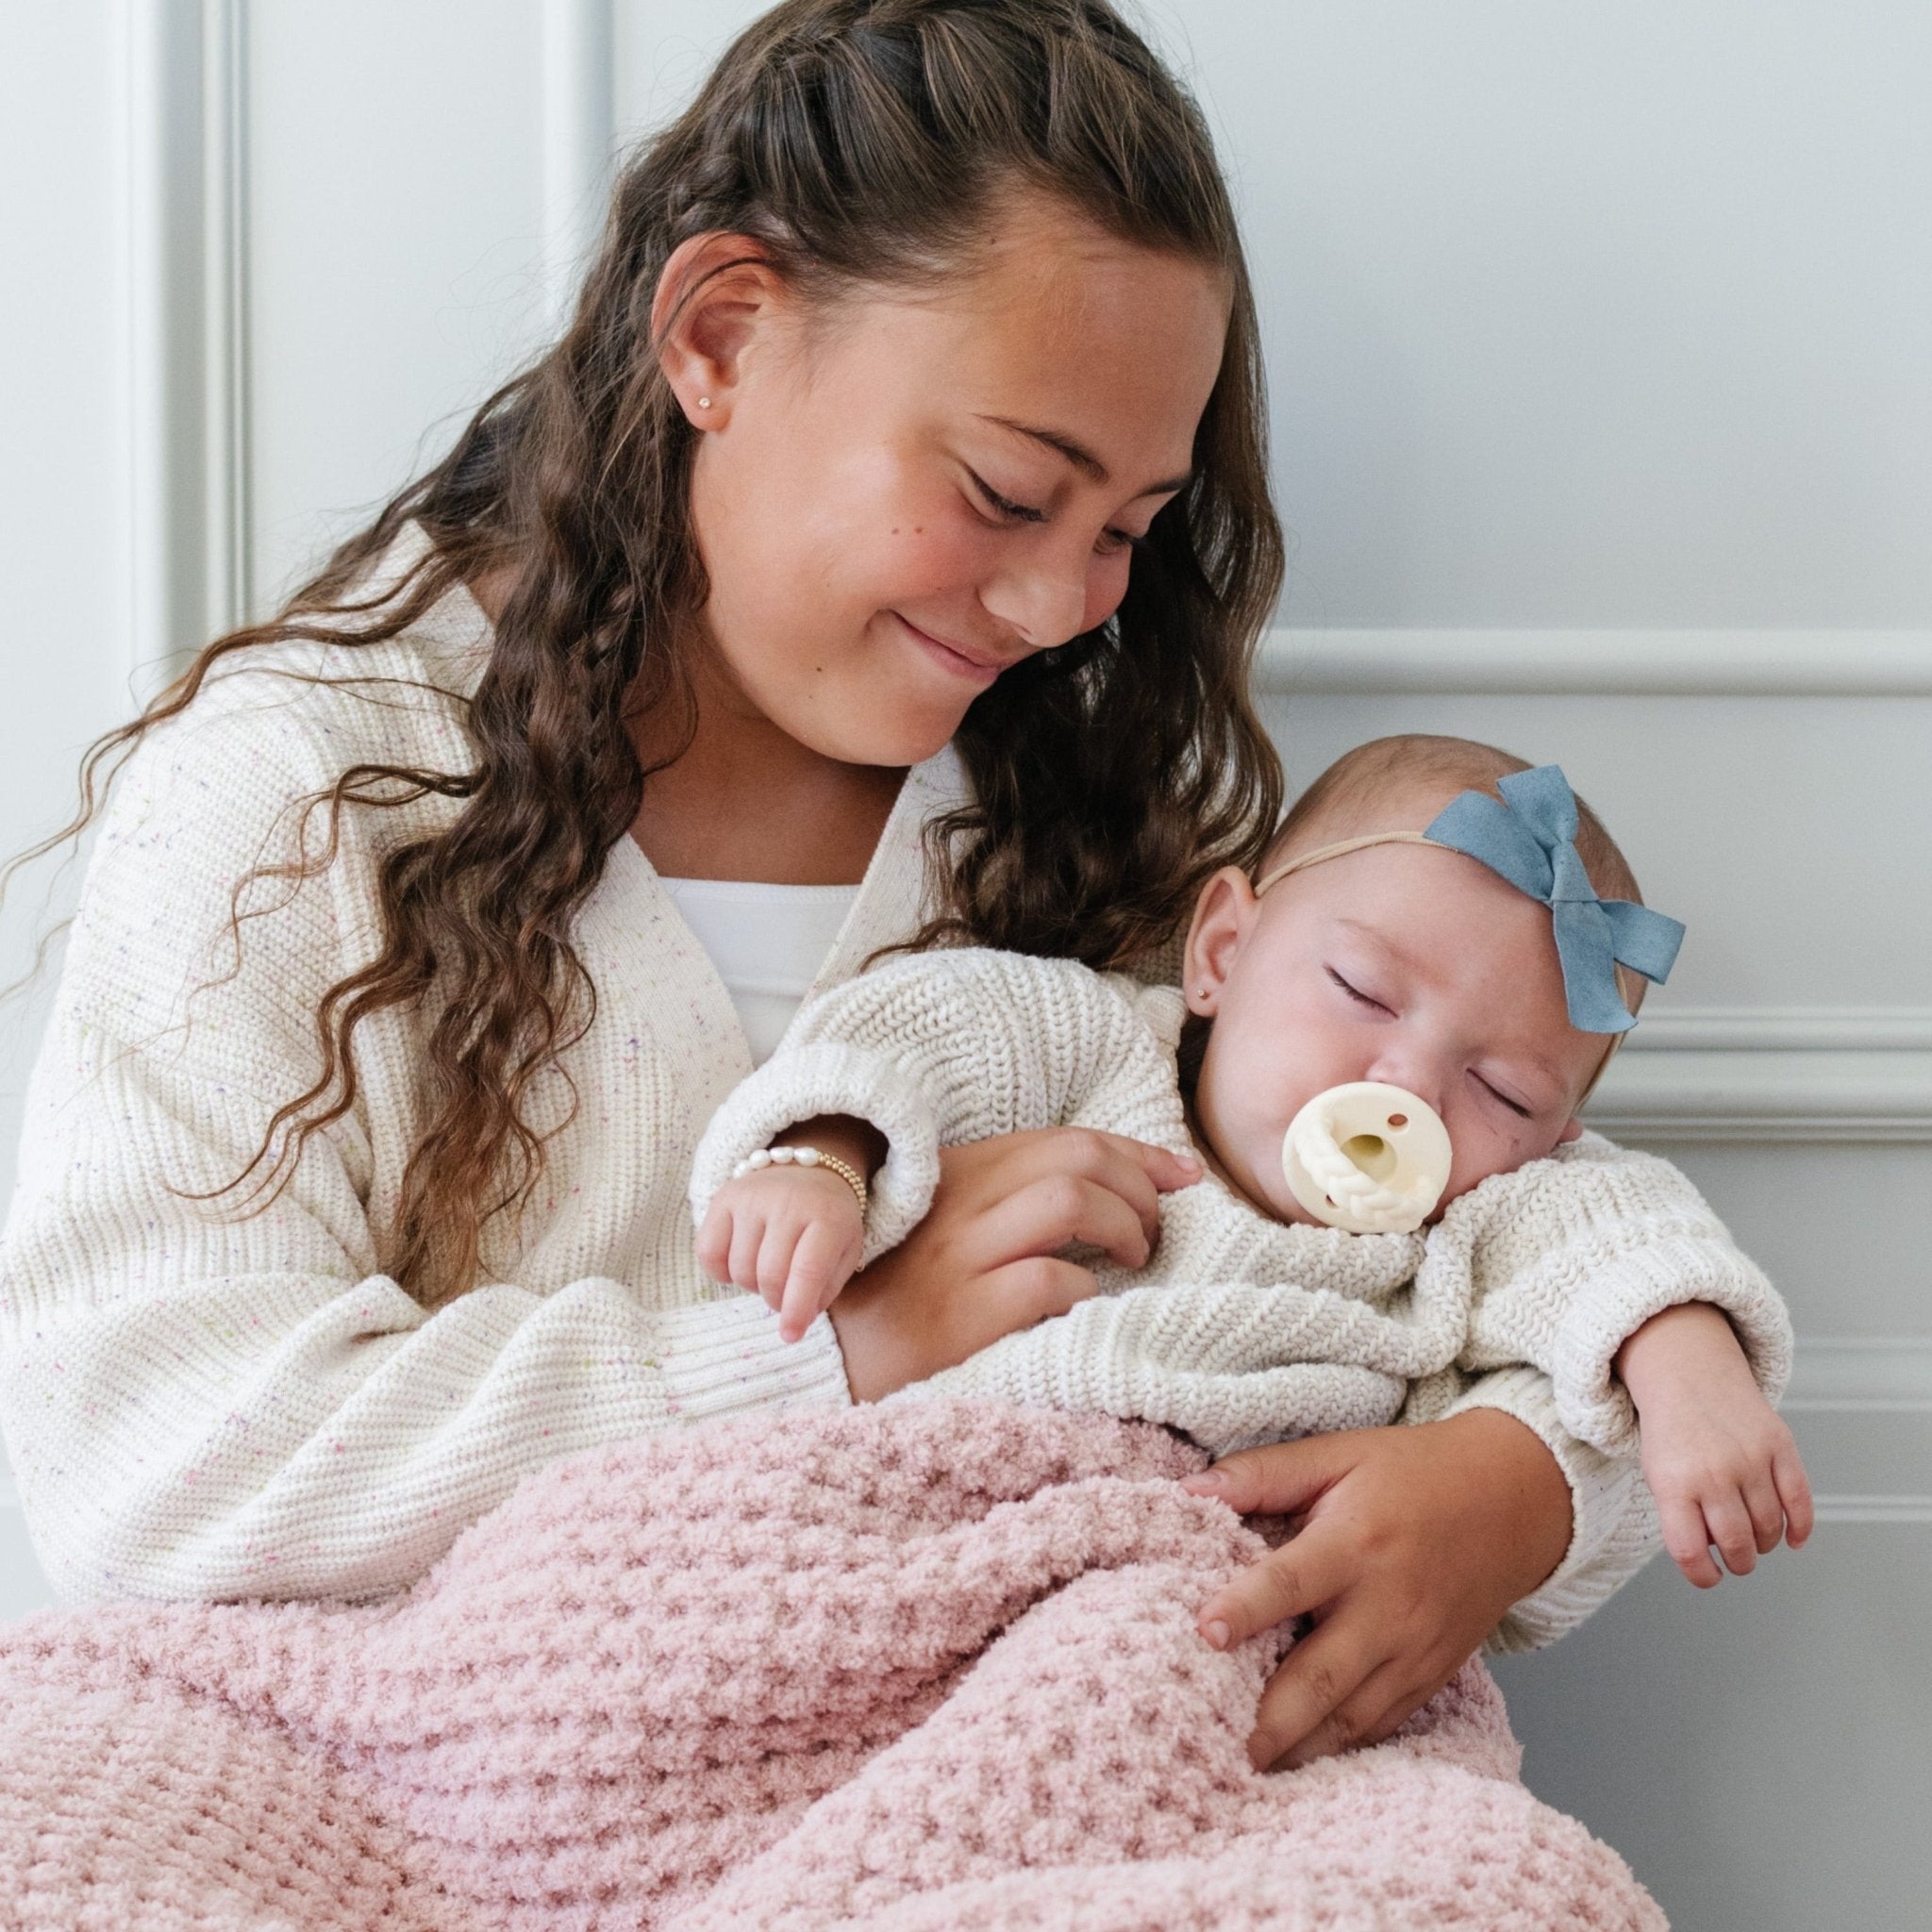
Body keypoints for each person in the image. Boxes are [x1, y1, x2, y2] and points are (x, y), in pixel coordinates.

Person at [0, 0, 1670, 1774]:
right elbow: (153, 1467)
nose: (1056, 605)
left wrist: (1530, 1493)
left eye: (1122, 529)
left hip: (1013, 1784)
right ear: (720, 335)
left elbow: (1516, 1230)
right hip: (452, 1780)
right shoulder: (304, 800)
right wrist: (832, 1351)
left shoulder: (1089, 846)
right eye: (1005, 489)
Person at [691, 735, 1814, 1663]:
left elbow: (1615, 1229)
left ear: (1550, 1134)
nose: (1403, 1088)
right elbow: (915, 1028)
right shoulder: (1095, 1050)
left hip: (1218, 1635)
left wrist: (1688, 1366)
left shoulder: (1471, 1224)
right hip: (931, 1546)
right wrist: (826, 1156)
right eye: (1359, 990)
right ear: (1223, 949)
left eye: (1499, 1087)